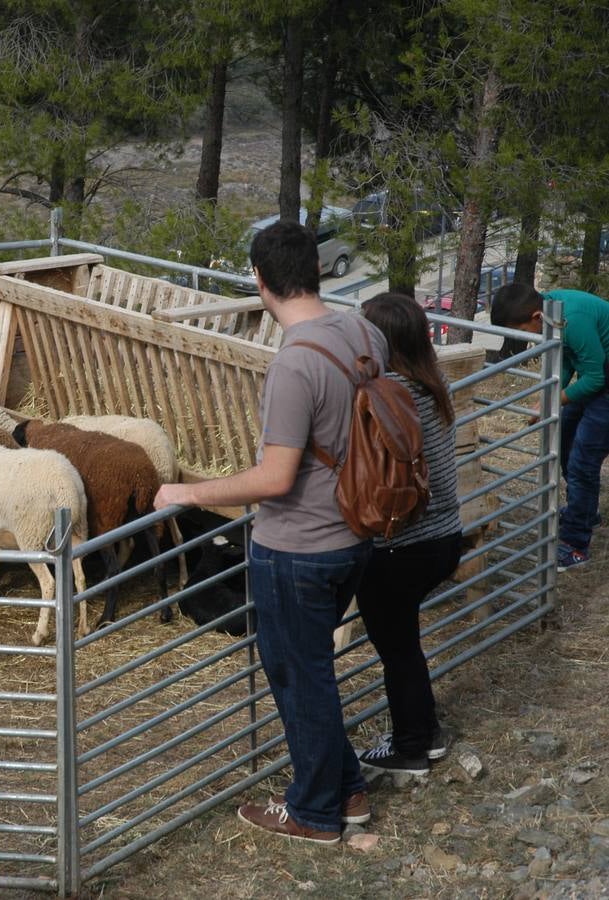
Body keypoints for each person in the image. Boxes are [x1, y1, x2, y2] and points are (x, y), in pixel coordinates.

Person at [154, 221, 384, 844]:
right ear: (312, 269)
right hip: (355, 536)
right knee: (315, 672)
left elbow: (276, 476)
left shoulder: (294, 366)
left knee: (299, 677)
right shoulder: (364, 330)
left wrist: (189, 491)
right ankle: (350, 790)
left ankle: (312, 812)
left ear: (259, 281)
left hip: (297, 549)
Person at [351, 293, 463, 775]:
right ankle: (427, 732)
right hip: (444, 537)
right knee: (405, 641)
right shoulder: (433, 384)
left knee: (396, 648)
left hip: (399, 544)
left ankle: (410, 747)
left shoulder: (382, 394)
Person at [491, 283, 609, 571]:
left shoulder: (573, 319)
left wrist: (554, 400)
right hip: (599, 375)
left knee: (583, 461)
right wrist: (550, 397)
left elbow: (594, 377)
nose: (524, 339)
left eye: (522, 330)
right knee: (565, 439)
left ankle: (575, 544)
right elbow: (568, 359)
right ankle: (584, 510)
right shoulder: (553, 311)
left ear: (535, 317)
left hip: (603, 382)